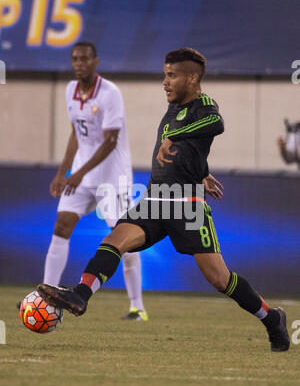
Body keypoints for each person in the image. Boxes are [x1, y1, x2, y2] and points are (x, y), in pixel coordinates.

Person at [37, 47, 290, 352]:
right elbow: (192, 150)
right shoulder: (173, 107)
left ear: (192, 78)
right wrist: (202, 170)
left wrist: (177, 140)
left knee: (219, 278)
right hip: (156, 198)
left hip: (187, 205)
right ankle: (80, 294)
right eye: (164, 75)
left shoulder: (203, 104)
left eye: (172, 75)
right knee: (114, 239)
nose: (165, 82)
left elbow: (216, 125)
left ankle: (271, 318)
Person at [42, 41, 147, 321]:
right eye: (74, 59)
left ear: (95, 61)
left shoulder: (110, 93)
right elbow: (76, 133)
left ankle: (137, 306)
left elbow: (110, 141)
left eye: (84, 58)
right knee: (61, 225)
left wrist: (76, 174)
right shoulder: (69, 90)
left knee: (124, 240)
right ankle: (45, 295)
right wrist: (62, 172)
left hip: (113, 178)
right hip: (81, 175)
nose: (79, 63)